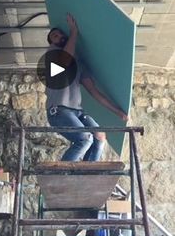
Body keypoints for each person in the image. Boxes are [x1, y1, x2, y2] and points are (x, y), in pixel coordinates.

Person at [46, 13, 128, 162]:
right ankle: (62, 175)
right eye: (55, 36)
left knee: (99, 136)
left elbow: (94, 92)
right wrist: (74, 32)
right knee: (84, 139)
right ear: (51, 44)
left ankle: (88, 173)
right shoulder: (52, 56)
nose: (59, 36)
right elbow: (66, 58)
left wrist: (118, 112)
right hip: (59, 111)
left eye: (60, 34)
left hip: (77, 112)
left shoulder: (78, 64)